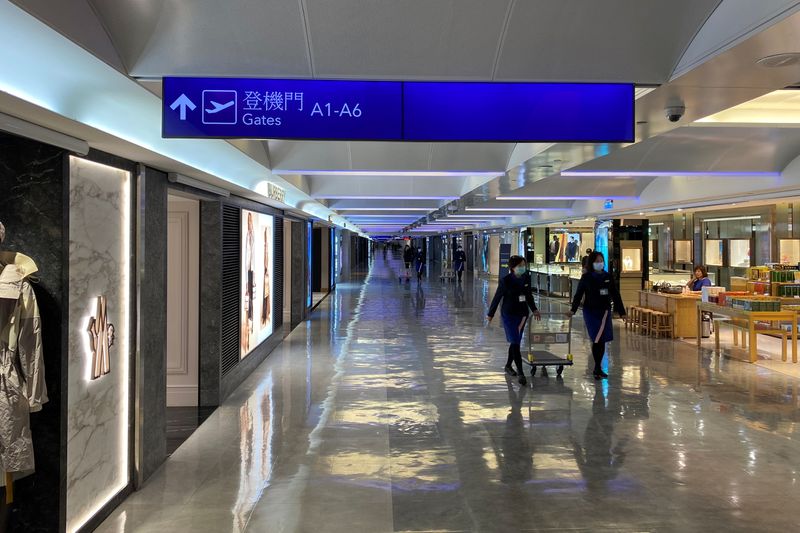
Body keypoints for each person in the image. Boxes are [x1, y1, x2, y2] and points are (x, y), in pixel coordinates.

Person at [567, 251, 626, 380]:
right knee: (596, 338)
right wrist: (573, 310)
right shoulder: (586, 277)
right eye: (597, 261)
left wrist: (622, 312)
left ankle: (598, 367)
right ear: (592, 263)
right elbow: (578, 294)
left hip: (604, 311)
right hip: (591, 311)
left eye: (601, 260)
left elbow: (615, 294)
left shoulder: (608, 276)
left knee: (602, 339)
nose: (600, 263)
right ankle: (597, 367)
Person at [487, 256, 542, 385]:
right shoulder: (506, 281)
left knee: (514, 341)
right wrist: (491, 314)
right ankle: (521, 373)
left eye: (524, 265)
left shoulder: (526, 278)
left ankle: (508, 366)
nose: (523, 267)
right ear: (513, 267)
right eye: (520, 265)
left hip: (522, 314)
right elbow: (497, 297)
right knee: (516, 341)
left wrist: (534, 309)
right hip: (509, 314)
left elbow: (528, 296)